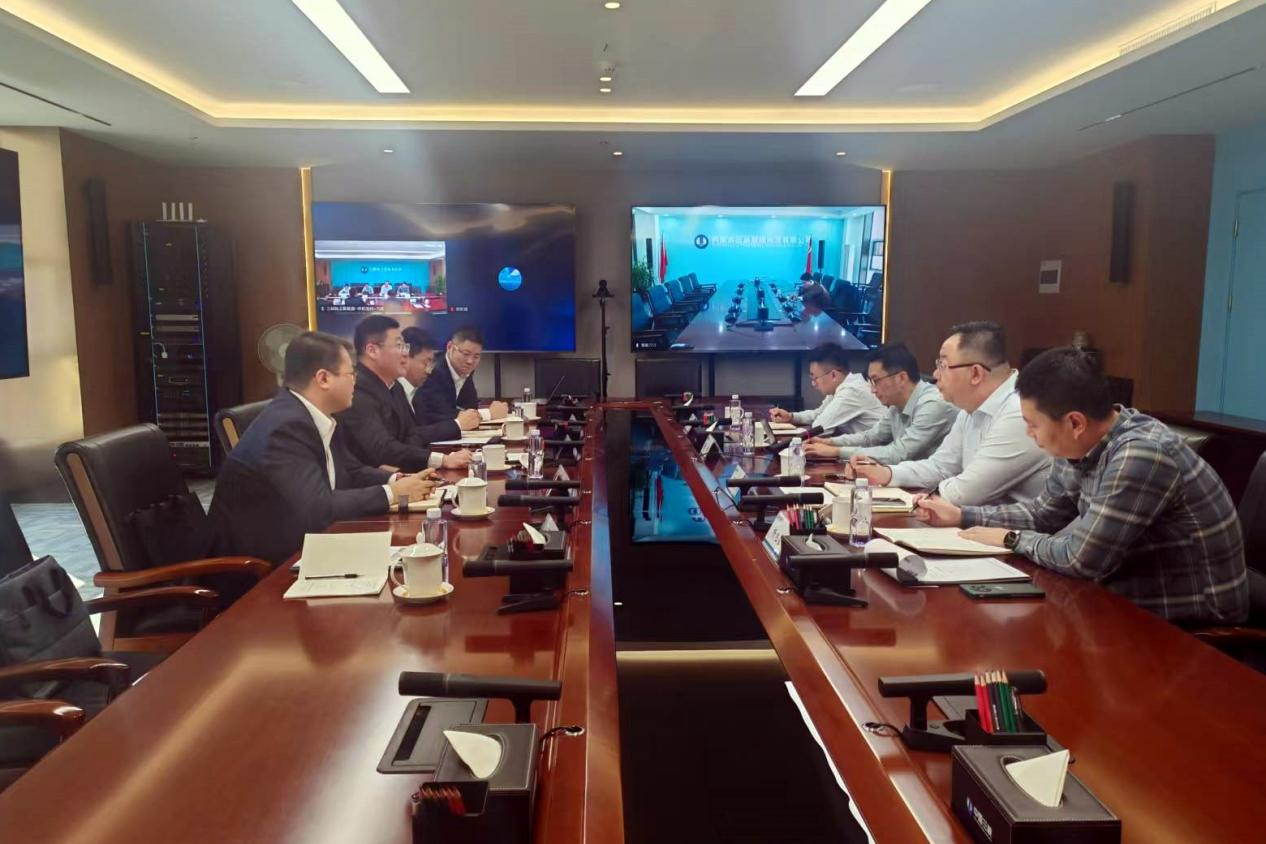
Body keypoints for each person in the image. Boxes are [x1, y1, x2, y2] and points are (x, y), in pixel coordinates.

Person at [915, 347, 1248, 625]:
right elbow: (1044, 514)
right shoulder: (1080, 443)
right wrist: (962, 516)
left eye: (1033, 425)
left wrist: (1010, 538)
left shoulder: (1140, 455)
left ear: (1075, 422)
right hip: (1122, 594)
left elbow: (1081, 559)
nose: (1029, 435)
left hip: (1190, 616)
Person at [210, 331, 439, 564]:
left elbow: (350, 470)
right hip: (265, 565)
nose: (356, 381)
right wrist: (393, 493)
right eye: (351, 373)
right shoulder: (286, 428)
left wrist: (396, 480)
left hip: (309, 543)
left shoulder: (321, 415)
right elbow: (316, 510)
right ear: (323, 379)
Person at [852, 321, 1049, 505]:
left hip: (1012, 528)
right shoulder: (970, 409)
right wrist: (886, 473)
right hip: (975, 522)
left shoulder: (1019, 411)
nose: (935, 374)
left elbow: (968, 491)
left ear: (975, 374)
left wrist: (919, 500)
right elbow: (940, 467)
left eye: (943, 365)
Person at [338, 316, 472, 473]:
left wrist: (402, 462)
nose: (405, 354)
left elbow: (413, 434)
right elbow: (381, 449)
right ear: (372, 351)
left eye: (405, 346)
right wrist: (442, 460)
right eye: (399, 346)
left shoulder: (394, 386)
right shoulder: (356, 389)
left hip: (400, 475)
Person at [804, 342, 957, 467]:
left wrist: (837, 452)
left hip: (937, 487)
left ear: (901, 378)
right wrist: (829, 442)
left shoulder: (933, 405)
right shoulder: (896, 404)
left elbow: (899, 454)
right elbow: (871, 437)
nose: (873, 389)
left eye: (876, 381)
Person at [769, 342, 883, 435]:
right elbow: (818, 414)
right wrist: (791, 417)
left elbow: (820, 428)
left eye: (815, 378)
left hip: (875, 452)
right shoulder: (841, 387)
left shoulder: (852, 391)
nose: (813, 384)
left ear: (833, 375)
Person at [412, 326, 509, 427]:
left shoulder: (465, 370)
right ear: (450, 347)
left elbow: (470, 407)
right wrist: (488, 414)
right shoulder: (433, 371)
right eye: (466, 354)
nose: (470, 361)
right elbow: (439, 414)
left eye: (476, 356)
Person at [400, 326, 481, 442]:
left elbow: (420, 431)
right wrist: (458, 424)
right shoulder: (389, 393)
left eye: (476, 356)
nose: (470, 361)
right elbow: (412, 435)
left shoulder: (412, 392)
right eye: (425, 363)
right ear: (404, 358)